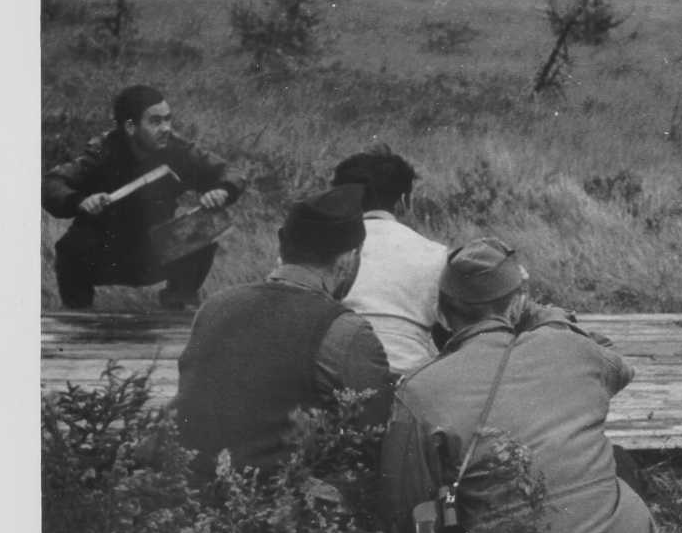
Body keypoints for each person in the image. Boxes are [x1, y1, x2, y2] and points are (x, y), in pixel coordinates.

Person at [382, 239, 654, 533]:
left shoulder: (418, 390)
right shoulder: (571, 349)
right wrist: (546, 316)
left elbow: (406, 514)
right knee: (619, 465)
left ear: (441, 315)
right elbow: (619, 369)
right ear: (517, 303)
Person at [175, 184, 393, 472]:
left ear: (283, 246)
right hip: (283, 502)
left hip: (198, 491)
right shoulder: (345, 332)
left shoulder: (215, 306)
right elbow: (376, 437)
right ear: (347, 259)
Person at [44, 84, 240, 311]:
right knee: (70, 247)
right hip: (105, 253)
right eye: (156, 122)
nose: (166, 128)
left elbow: (230, 172)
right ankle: (78, 316)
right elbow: (52, 183)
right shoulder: (102, 151)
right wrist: (79, 201)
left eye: (168, 119)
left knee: (201, 235)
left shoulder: (178, 150)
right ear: (130, 126)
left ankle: (178, 304)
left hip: (154, 250)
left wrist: (223, 190)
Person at [331, 144, 449, 378]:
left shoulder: (313, 251)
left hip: (333, 374)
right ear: (405, 202)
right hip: (411, 379)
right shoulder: (437, 253)